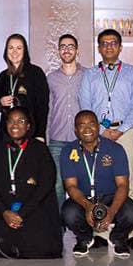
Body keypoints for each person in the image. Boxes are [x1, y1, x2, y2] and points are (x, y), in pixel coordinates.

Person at [79, 28, 133, 231]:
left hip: (125, 133)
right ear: (99, 48)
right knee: (100, 184)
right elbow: (85, 105)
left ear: (120, 47)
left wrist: (121, 130)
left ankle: (129, 233)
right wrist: (101, 131)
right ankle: (99, 231)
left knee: (128, 182)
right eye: (104, 43)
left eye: (113, 42)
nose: (109, 46)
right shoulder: (89, 75)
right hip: (97, 136)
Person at [0, 107, 62, 258]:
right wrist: (4, 212)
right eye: (11, 121)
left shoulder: (40, 150)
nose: (15, 125)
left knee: (40, 245)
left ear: (28, 126)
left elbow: (46, 185)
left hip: (32, 210)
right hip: (4, 210)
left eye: (21, 121)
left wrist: (22, 213)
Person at [61, 110, 133, 259]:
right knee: (68, 213)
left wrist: (112, 211)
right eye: (82, 125)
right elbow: (71, 186)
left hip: (110, 196)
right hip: (84, 198)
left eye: (91, 124)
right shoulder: (68, 151)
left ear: (98, 127)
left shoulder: (115, 149)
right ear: (75, 130)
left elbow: (123, 185)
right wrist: (88, 206)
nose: (87, 129)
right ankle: (84, 238)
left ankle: (118, 238)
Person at [46, 33, 84, 208]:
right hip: (57, 140)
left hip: (82, 141)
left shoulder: (88, 76)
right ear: (58, 51)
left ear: (77, 50)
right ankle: (58, 228)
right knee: (57, 186)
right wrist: (46, 139)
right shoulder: (51, 78)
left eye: (70, 46)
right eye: (63, 46)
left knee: (83, 185)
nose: (67, 50)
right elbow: (48, 110)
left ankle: (83, 230)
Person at [0, 33, 49, 142]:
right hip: (7, 134)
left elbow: (42, 107)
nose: (14, 52)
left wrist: (40, 134)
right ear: (6, 51)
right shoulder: (2, 76)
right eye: (10, 48)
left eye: (19, 48)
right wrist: (0, 102)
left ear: (24, 51)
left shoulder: (36, 73)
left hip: (30, 133)